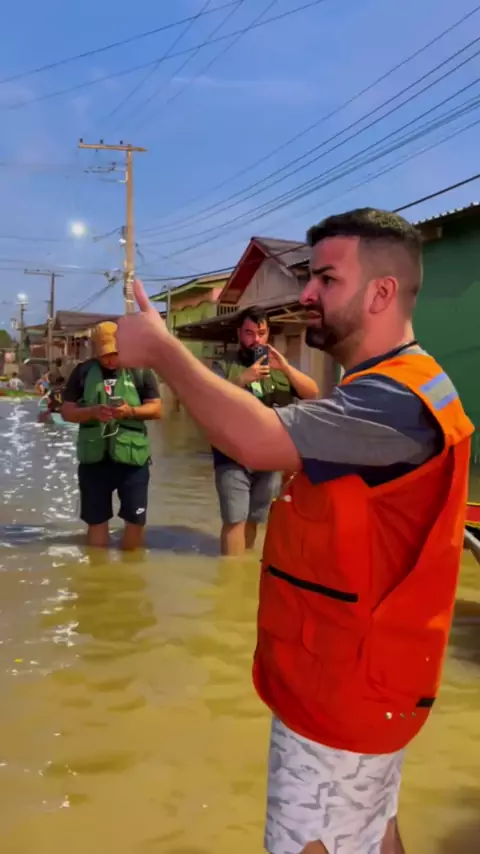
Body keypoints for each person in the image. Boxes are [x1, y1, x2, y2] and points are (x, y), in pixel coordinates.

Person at [113, 208, 473, 854]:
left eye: (327, 279)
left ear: (381, 293)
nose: (306, 293)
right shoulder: (401, 384)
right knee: (371, 832)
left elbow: (256, 441)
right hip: (369, 680)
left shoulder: (391, 400)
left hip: (343, 693)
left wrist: (165, 351)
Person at [212, 306, 318, 555]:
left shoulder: (279, 368)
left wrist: (286, 368)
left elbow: (312, 393)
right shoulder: (224, 365)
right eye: (249, 333)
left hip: (269, 457)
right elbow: (210, 398)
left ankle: (243, 569)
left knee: (255, 518)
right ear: (239, 333)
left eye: (261, 333)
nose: (256, 340)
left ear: (268, 333)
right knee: (234, 519)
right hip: (232, 454)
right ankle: (230, 572)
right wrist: (242, 379)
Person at [61, 320, 162, 550]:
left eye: (115, 353)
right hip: (94, 461)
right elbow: (67, 412)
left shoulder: (140, 370)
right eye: (105, 354)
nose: (111, 359)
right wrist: (92, 412)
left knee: (135, 521)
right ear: (96, 350)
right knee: (96, 521)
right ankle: (98, 568)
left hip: (133, 460)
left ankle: (131, 566)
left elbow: (157, 409)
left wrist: (130, 412)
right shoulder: (82, 372)